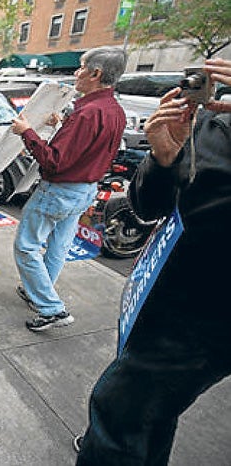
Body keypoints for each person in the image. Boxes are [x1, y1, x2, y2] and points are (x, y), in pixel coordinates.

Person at [75, 57, 231, 465]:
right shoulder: (210, 122)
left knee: (118, 410)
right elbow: (148, 207)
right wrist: (164, 157)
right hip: (157, 297)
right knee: (149, 418)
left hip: (204, 321)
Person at [11, 46, 126, 331]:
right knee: (58, 246)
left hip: (60, 190)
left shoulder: (87, 113)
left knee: (26, 246)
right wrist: (62, 124)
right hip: (85, 189)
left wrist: (26, 132)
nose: (76, 72)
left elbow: (54, 162)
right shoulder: (113, 110)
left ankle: (52, 308)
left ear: (96, 74)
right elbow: (89, 147)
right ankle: (38, 291)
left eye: (81, 67)